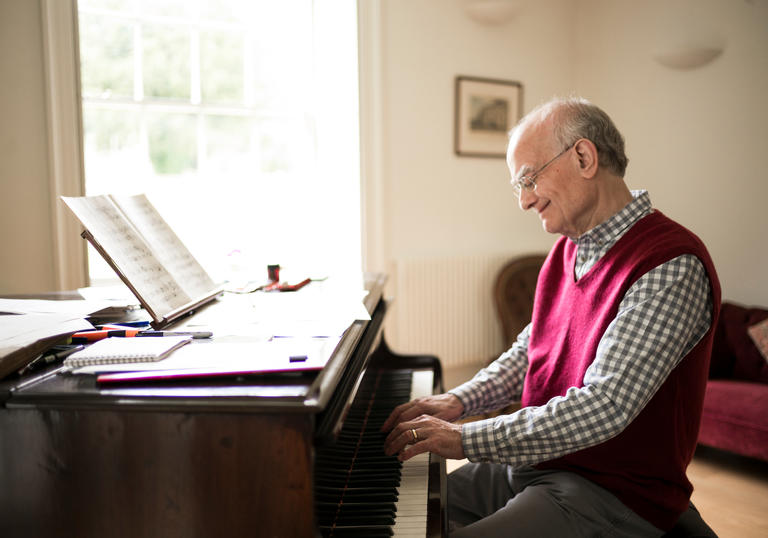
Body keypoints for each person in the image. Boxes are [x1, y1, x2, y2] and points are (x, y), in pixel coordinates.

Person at [382, 97, 721, 537]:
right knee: (405, 518)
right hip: (537, 464)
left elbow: (604, 406)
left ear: (583, 157)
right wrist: (458, 401)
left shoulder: (669, 263)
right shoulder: (568, 249)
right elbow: (531, 351)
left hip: (609, 490)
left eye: (528, 178)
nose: (524, 201)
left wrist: (466, 438)